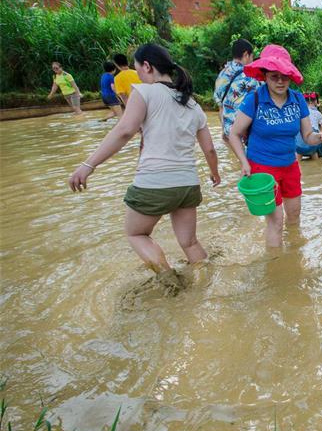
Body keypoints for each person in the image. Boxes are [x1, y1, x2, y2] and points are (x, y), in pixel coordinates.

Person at [68, 43, 220, 284]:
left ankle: (171, 282)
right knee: (190, 242)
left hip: (154, 181)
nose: (137, 73)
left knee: (136, 234)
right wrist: (215, 173)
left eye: (137, 68)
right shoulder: (193, 104)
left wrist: (88, 165)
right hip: (188, 184)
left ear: (147, 66)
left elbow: (124, 131)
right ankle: (208, 287)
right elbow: (209, 149)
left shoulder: (144, 92)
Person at [228, 44, 322, 247]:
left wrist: (321, 137)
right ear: (264, 76)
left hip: (290, 166)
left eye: (284, 76)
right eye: (274, 77)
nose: (280, 81)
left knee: (294, 216)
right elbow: (234, 134)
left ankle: (293, 258)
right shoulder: (254, 100)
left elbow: (308, 136)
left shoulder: (298, 99)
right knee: (276, 222)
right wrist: (243, 162)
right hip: (263, 169)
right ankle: (274, 263)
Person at [213, 38, 259, 152]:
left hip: (229, 133)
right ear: (246, 54)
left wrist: (225, 129)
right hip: (245, 133)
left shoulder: (222, 73)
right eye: (252, 56)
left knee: (241, 161)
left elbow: (220, 106)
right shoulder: (250, 76)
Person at [295, 92, 322, 160]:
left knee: (297, 154)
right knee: (315, 153)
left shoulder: (298, 112)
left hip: (299, 144)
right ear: (315, 101)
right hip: (313, 144)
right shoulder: (318, 113)